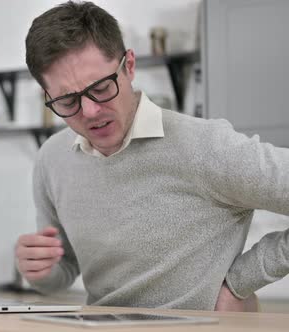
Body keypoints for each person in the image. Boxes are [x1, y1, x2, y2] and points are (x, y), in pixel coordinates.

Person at [15, 1, 289, 311]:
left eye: (102, 87)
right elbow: (64, 270)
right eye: (67, 100)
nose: (90, 112)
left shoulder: (203, 145)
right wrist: (40, 271)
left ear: (129, 66)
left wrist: (241, 282)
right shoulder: (52, 159)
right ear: (48, 98)